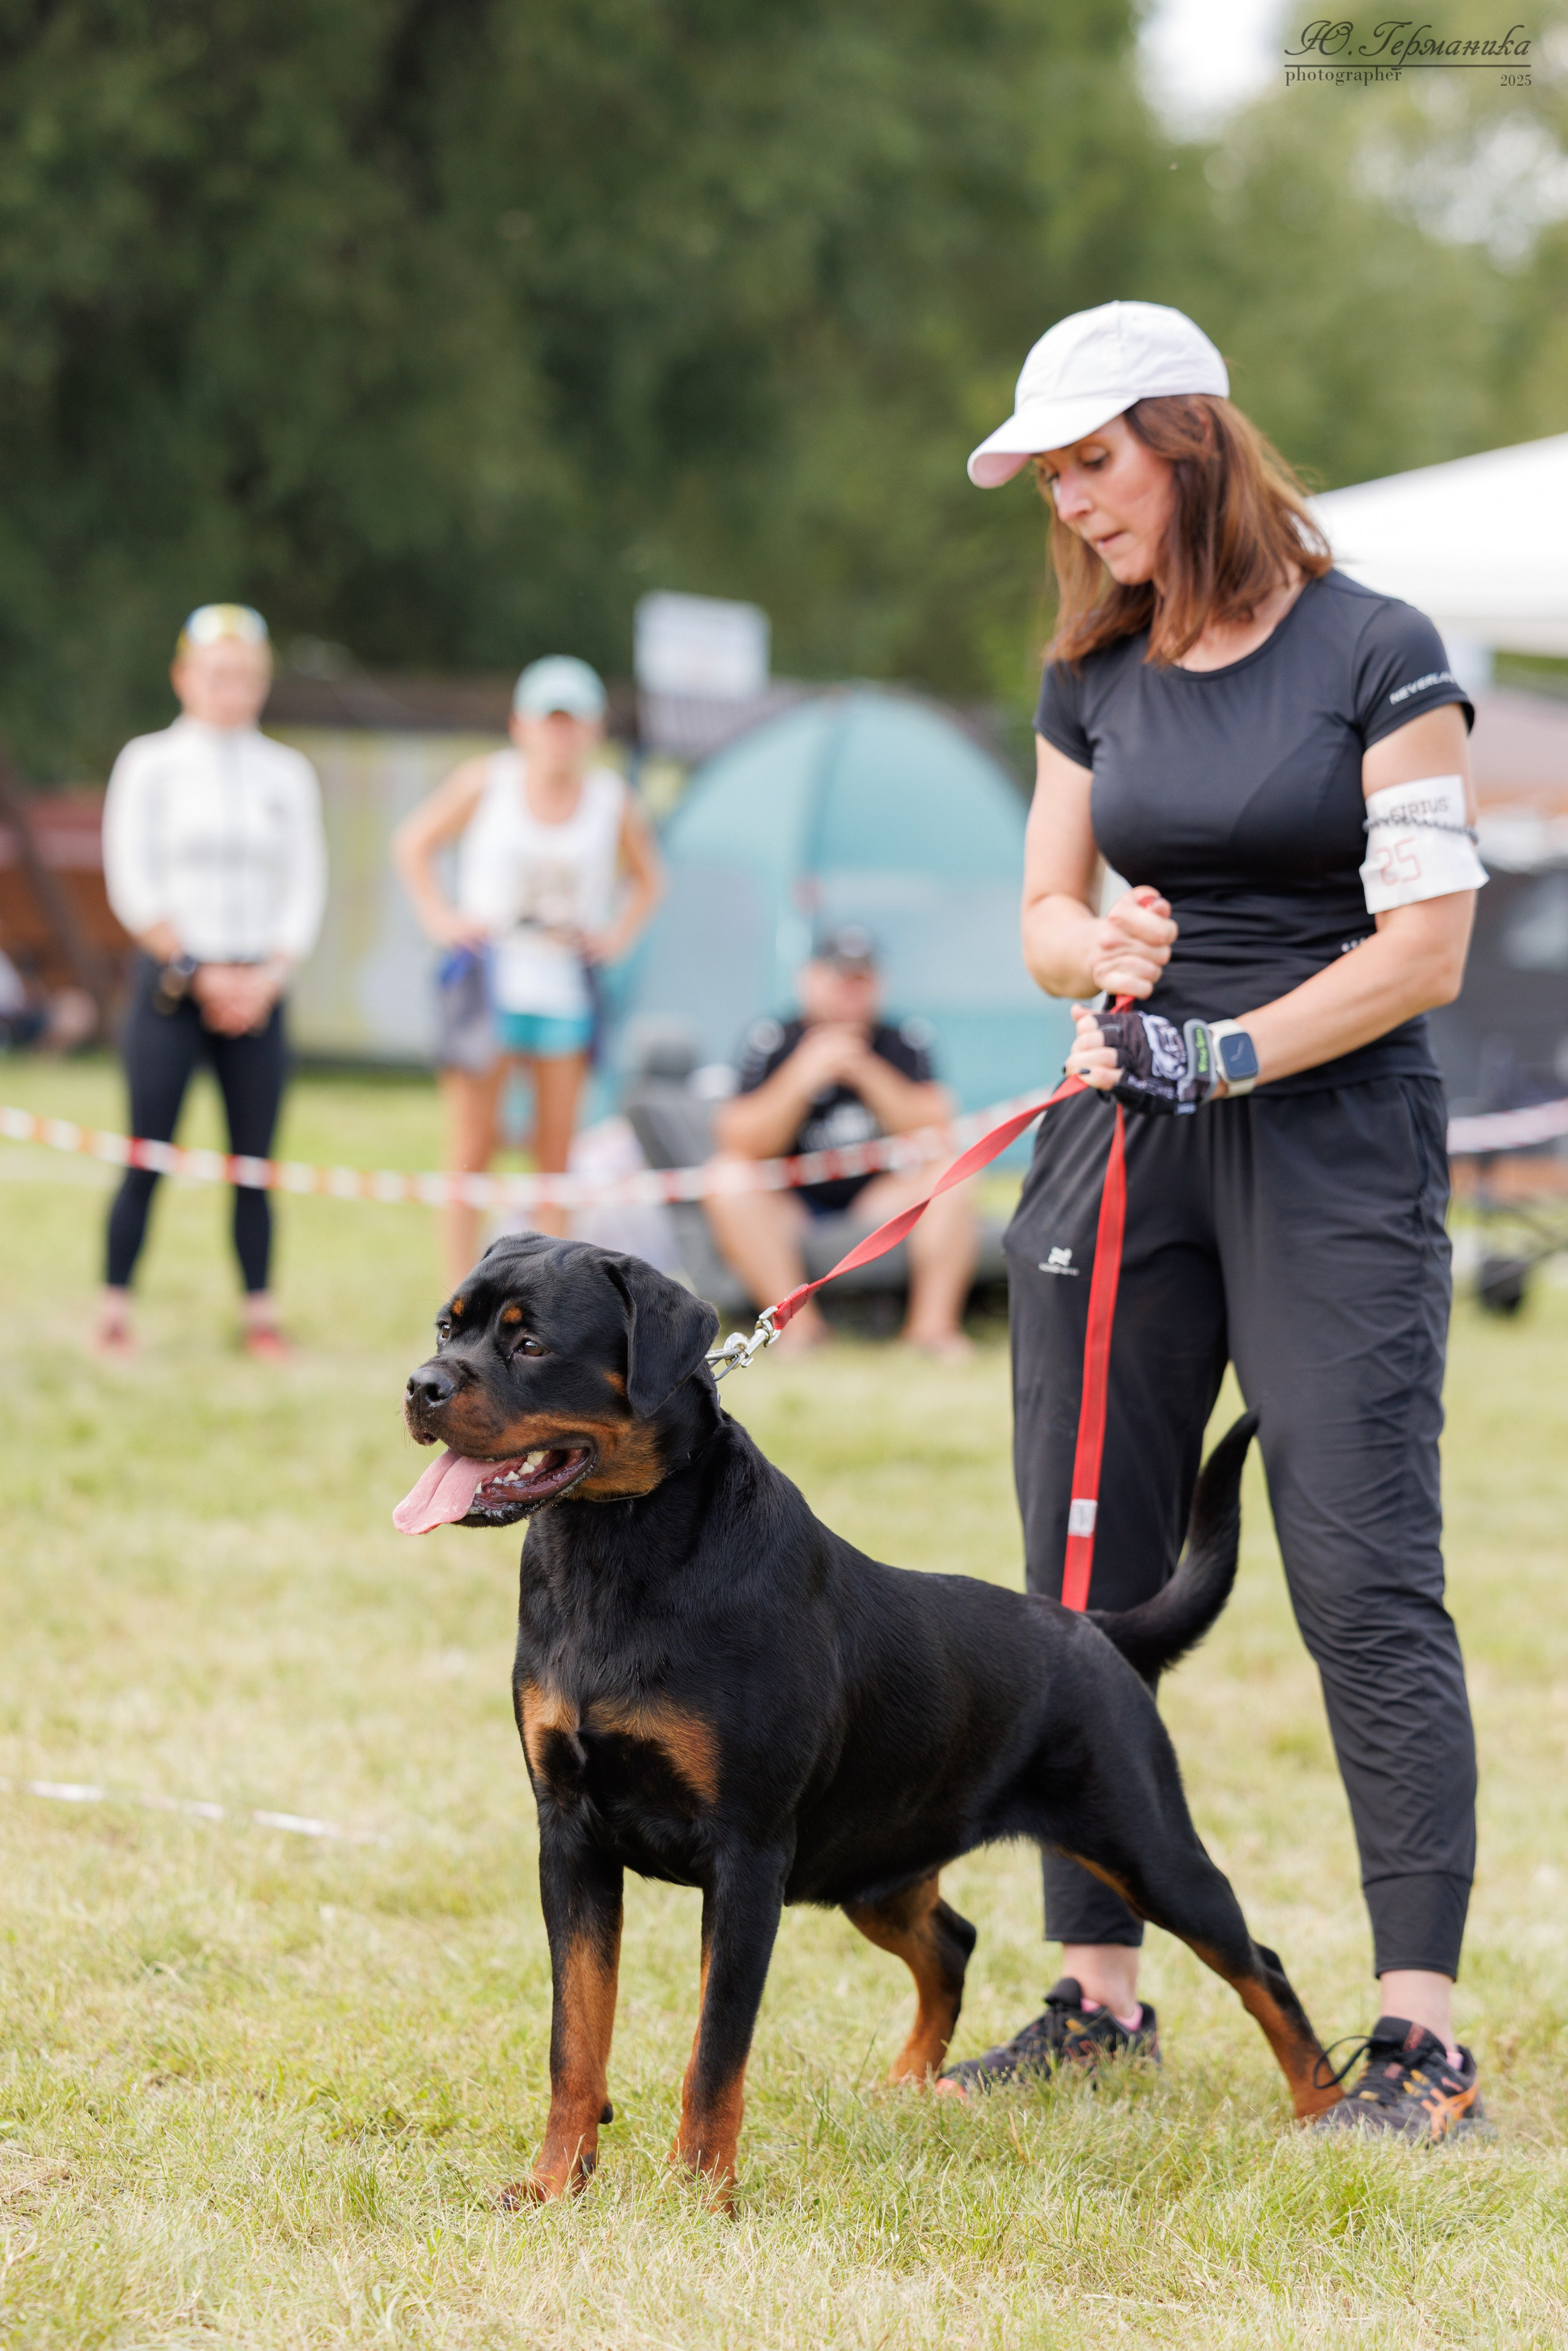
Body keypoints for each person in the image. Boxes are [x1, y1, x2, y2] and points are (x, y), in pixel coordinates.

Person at [940, 301, 1488, 2140]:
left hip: (1327, 1144)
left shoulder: (1380, 652)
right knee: (1077, 1571)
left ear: (1186, 441)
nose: (1072, 503)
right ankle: (1097, 1993)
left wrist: (1229, 1047)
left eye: (1091, 462)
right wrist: (1092, 948)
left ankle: (1415, 2037)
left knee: (1358, 1574)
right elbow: (1043, 907)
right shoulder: (1089, 666)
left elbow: (1426, 950)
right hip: (1126, 1139)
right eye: (1050, 477)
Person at [97, 605, 327, 1360]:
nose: (232, 689)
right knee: (148, 1152)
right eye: (217, 674)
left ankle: (260, 1312)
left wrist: (266, 976)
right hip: (172, 985)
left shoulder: (286, 772)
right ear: (183, 676)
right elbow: (133, 879)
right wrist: (199, 972)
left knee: (254, 1164)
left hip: (260, 989)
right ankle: (114, 1307)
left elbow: (305, 884)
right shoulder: (149, 762)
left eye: (246, 675)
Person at [393, 657, 663, 1285]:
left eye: (573, 722)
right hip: (491, 984)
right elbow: (414, 843)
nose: (560, 735)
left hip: (563, 987)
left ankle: (548, 1295)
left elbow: (650, 879)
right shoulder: (486, 782)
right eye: (550, 720)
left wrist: (615, 937)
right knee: (472, 1147)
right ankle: (458, 1294)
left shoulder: (611, 801)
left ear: (594, 729)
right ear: (522, 724)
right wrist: (440, 917)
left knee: (555, 1155)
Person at [706, 926, 979, 1355]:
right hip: (794, 1206)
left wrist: (865, 1070)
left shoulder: (904, 1038)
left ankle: (932, 1331)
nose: (851, 992)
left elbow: (936, 1127)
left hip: (877, 1200)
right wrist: (801, 1077)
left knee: (953, 1174)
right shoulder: (771, 1038)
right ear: (809, 979)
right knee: (726, 1180)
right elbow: (739, 1140)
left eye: (862, 981)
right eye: (840, 979)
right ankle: (800, 1331)